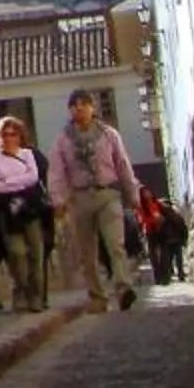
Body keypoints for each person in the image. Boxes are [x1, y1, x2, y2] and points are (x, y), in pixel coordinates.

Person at [48, 88, 142, 310]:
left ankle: (123, 287)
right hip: (79, 198)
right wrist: (58, 200)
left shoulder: (109, 134)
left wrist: (133, 193)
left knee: (115, 243)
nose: (79, 108)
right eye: (74, 105)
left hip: (107, 193)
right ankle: (97, 296)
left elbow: (122, 164)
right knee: (87, 252)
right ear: (70, 110)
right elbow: (56, 172)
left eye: (83, 104)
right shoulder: (62, 140)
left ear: (92, 107)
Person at [0, 115, 53, 311]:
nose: (9, 138)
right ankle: (21, 289)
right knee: (17, 253)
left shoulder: (28, 155)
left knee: (36, 255)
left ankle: (36, 297)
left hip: (30, 209)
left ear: (20, 136)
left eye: (13, 134)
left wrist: (8, 182)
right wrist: (17, 182)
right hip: (8, 213)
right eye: (5, 134)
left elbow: (33, 177)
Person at [151, 196, 191, 285]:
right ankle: (180, 275)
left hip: (168, 240)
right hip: (176, 240)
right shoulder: (176, 214)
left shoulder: (163, 215)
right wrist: (183, 240)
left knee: (168, 259)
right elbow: (183, 227)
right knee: (178, 259)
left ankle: (169, 276)